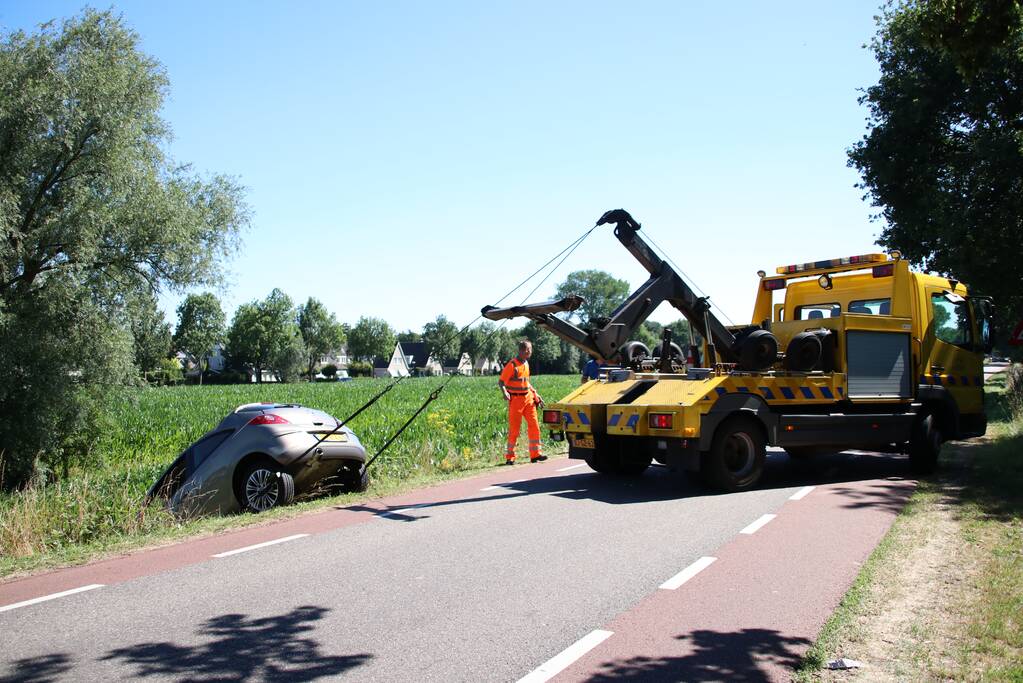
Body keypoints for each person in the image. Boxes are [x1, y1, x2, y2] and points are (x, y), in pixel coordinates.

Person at [498, 340, 546, 464]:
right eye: (527, 349)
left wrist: (536, 394)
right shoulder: (512, 365)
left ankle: (535, 454)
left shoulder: (527, 364)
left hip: (528, 399)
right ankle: (510, 457)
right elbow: (501, 382)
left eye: (530, 349)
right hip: (516, 400)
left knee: (534, 426)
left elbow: (526, 382)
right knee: (514, 430)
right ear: (520, 350)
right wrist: (505, 393)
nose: (529, 352)